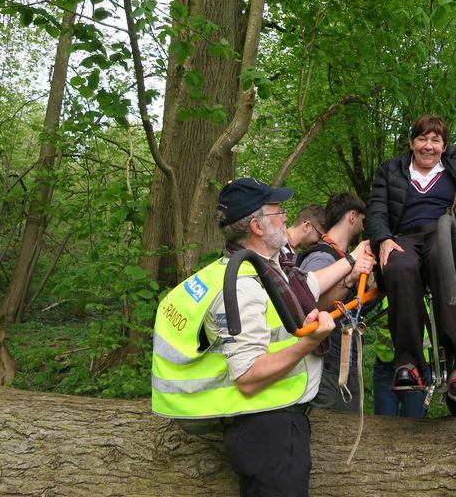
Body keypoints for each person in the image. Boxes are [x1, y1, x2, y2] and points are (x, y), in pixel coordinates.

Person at [151, 178, 374, 497]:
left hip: (276, 422)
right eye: (278, 211)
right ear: (257, 225)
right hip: (266, 431)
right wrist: (308, 344)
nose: (286, 217)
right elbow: (248, 377)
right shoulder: (243, 288)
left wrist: (350, 261)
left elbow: (306, 284)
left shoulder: (268, 268)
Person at [365, 114, 456, 399]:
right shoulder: (390, 170)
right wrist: (383, 239)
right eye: (422, 139)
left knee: (442, 258)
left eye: (436, 140)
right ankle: (409, 363)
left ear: (444, 146)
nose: (428, 146)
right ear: (412, 143)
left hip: (444, 231)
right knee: (398, 266)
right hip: (404, 236)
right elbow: (376, 211)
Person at [297, 192, 368, 411]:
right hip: (326, 366)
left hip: (340, 362)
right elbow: (309, 307)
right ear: (352, 216)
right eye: (364, 222)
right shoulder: (324, 257)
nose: (364, 229)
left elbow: (344, 308)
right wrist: (348, 281)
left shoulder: (340, 257)